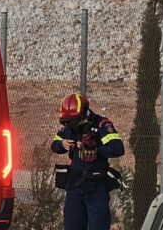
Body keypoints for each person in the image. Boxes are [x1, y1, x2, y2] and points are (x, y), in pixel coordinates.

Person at [51, 93, 125, 230]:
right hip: (74, 186)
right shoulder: (69, 128)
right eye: (66, 122)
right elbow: (54, 144)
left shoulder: (102, 124)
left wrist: (95, 149)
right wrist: (62, 144)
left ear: (83, 114)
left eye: (71, 121)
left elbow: (118, 148)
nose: (68, 125)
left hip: (96, 187)